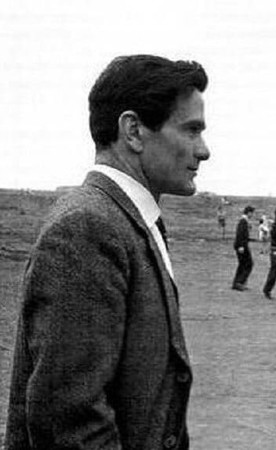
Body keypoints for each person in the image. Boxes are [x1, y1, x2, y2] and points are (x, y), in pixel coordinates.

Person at [5, 55, 210, 449]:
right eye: (191, 130)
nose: (204, 150)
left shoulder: (127, 220)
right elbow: (70, 419)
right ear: (133, 130)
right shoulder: (86, 227)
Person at [232, 205, 255, 291]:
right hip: (242, 246)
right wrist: (241, 246)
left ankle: (237, 283)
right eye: (252, 213)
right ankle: (240, 282)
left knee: (242, 264)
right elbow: (240, 234)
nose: (252, 215)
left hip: (241, 245)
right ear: (249, 212)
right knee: (248, 264)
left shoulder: (244, 221)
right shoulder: (243, 221)